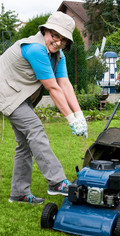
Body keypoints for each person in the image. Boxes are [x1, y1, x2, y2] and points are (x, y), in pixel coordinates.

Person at [0, 11, 88, 204]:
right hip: (6, 93)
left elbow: (64, 84)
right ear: (46, 31)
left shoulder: (58, 55)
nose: (57, 42)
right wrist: (71, 119)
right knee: (35, 130)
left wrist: (80, 115)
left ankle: (19, 193)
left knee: (25, 143)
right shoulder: (35, 49)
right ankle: (56, 182)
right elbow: (52, 87)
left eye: (63, 40)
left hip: (19, 95)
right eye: (55, 36)